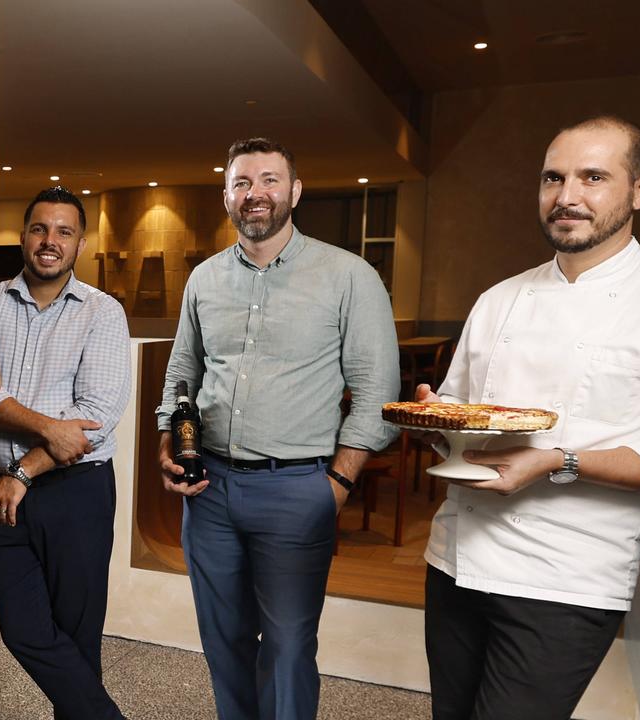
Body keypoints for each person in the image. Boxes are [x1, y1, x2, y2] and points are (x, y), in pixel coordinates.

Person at [418, 115, 640, 720]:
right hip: (455, 558)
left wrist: (556, 461)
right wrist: (437, 421)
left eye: (593, 177)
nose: (567, 197)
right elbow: (459, 411)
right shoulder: (499, 298)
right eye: (553, 178)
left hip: (566, 579)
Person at [157, 138, 401, 719]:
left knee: (290, 646)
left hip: (298, 488)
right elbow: (182, 372)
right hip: (209, 489)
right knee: (224, 642)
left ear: (294, 191)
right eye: (242, 183)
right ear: (227, 198)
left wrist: (337, 484)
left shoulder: (348, 276)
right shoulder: (204, 279)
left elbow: (376, 393)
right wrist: (169, 440)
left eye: (269, 180)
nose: (255, 194)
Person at [0, 186, 131, 719]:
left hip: (76, 492)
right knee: (23, 629)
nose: (49, 241)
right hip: (3, 492)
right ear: (23, 236)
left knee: (78, 638)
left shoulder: (103, 313)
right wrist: (45, 433)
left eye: (64, 231)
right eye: (39, 228)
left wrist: (24, 470)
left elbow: (95, 418)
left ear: (80, 243)